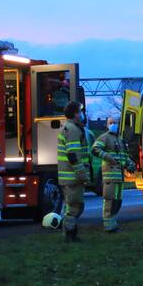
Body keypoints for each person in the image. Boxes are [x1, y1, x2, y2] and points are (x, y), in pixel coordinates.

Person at [90, 116, 132, 233]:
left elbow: (123, 156)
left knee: (117, 201)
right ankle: (108, 226)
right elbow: (95, 149)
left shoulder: (120, 139)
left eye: (115, 122)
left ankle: (113, 224)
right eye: (111, 122)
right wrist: (109, 157)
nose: (113, 124)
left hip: (119, 176)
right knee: (110, 200)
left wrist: (129, 164)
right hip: (109, 175)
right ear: (107, 125)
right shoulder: (104, 137)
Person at [56, 101, 89, 243]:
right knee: (76, 207)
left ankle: (70, 234)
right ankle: (69, 235)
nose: (82, 114)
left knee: (71, 206)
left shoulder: (68, 127)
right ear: (76, 113)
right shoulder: (73, 129)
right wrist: (81, 173)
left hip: (68, 176)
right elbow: (73, 155)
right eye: (80, 111)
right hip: (73, 177)